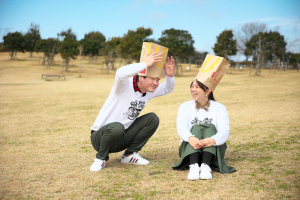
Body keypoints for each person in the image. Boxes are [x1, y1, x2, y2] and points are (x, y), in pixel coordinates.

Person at [90, 52, 175, 172]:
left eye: (158, 80)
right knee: (117, 127)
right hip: (100, 137)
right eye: (152, 79)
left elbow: (167, 89)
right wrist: (144, 64)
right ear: (141, 77)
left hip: (122, 137)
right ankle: (100, 158)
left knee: (152, 118)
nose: (156, 83)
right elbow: (120, 73)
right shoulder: (124, 86)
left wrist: (170, 76)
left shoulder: (150, 90)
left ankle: (129, 155)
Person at [173, 54, 235, 180]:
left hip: (213, 149)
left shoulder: (219, 108)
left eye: (197, 87)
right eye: (192, 86)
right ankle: (194, 165)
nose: (193, 90)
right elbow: (181, 127)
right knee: (195, 128)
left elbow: (224, 131)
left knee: (210, 127)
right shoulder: (185, 106)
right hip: (190, 147)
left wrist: (212, 140)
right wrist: (190, 138)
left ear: (207, 91)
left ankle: (206, 165)